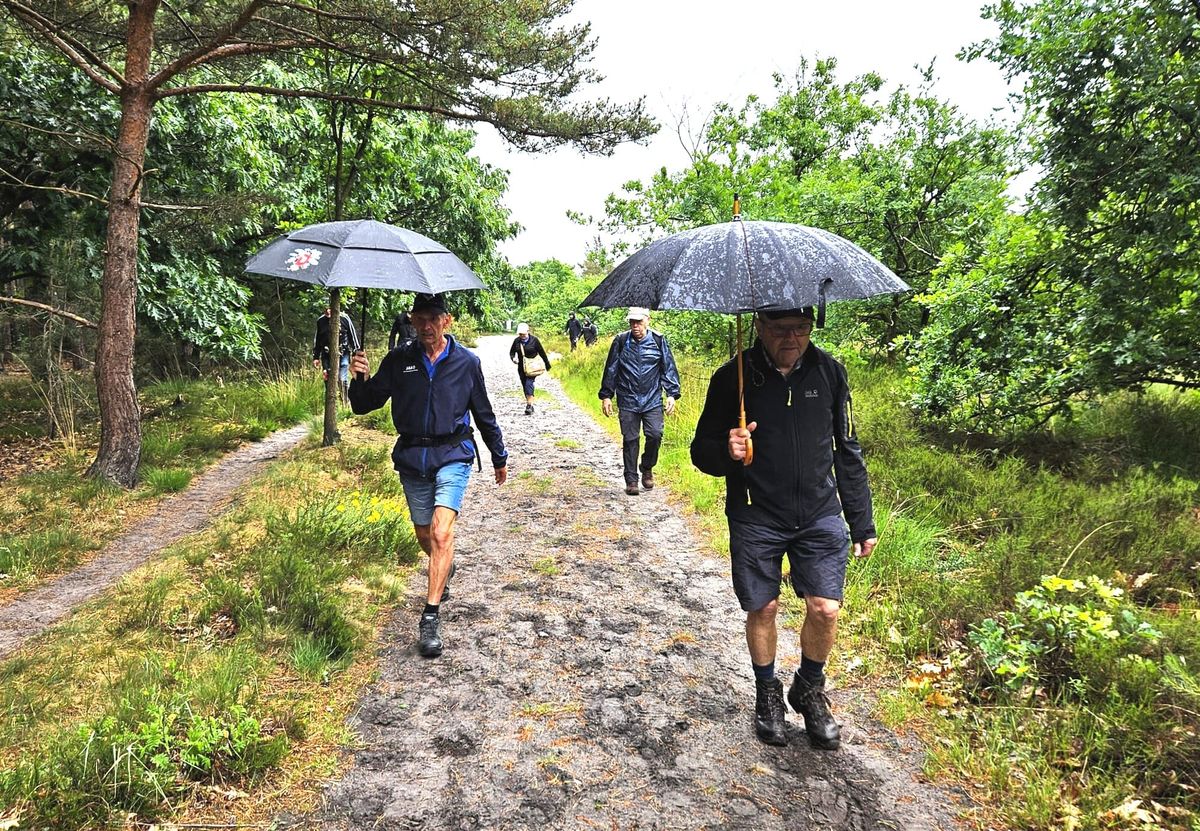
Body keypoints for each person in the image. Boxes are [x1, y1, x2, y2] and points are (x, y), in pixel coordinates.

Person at [689, 306, 877, 750]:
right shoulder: (732, 378)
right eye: (779, 329)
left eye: (801, 328)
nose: (791, 338)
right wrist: (728, 450)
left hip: (819, 512)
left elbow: (847, 449)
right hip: (756, 512)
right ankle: (767, 690)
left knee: (825, 608)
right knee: (764, 607)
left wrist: (861, 521)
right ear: (759, 327)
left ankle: (809, 688)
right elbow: (701, 452)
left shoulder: (830, 373)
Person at [348, 293, 508, 659]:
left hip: (453, 453)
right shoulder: (399, 360)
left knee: (440, 532)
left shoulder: (467, 362)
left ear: (446, 321)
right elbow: (363, 404)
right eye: (419, 319)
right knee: (425, 535)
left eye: (433, 319)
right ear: (412, 321)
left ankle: (430, 616)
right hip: (412, 458)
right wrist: (359, 377)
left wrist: (498, 455)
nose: (426, 326)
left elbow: (484, 413)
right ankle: (444, 565)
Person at [598, 307, 682, 496]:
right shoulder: (621, 341)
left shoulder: (658, 340)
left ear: (647, 320)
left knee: (655, 434)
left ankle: (647, 466)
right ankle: (631, 479)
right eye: (632, 322)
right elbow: (611, 369)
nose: (635, 326)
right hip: (627, 398)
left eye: (639, 322)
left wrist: (671, 393)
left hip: (652, 399)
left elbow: (668, 367)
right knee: (630, 439)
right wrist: (606, 395)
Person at [313, 306, 361, 402]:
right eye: (325, 309)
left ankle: (345, 402)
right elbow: (318, 340)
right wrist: (316, 357)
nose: (328, 311)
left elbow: (352, 336)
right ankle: (332, 403)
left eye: (330, 308)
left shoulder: (344, 318)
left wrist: (356, 352)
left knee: (342, 379)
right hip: (326, 355)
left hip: (343, 353)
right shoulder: (320, 321)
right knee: (328, 379)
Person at [509, 322, 551, 416]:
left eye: (523, 334)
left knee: (529, 383)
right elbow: (512, 352)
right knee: (525, 385)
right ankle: (530, 403)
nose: (522, 336)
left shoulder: (534, 340)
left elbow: (542, 352)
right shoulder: (516, 341)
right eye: (520, 334)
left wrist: (547, 364)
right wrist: (513, 358)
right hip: (521, 367)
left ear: (528, 331)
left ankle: (529, 405)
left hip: (533, 367)